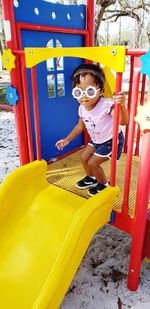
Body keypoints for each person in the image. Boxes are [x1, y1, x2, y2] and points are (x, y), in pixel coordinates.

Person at [55, 63, 128, 196]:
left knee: (93, 163)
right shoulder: (82, 107)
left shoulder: (107, 105)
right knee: (83, 157)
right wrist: (67, 140)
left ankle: (103, 185)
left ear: (100, 91)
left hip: (111, 140)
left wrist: (121, 106)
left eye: (89, 91)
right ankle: (91, 178)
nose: (84, 96)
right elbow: (80, 126)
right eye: (78, 91)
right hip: (97, 140)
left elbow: (123, 121)